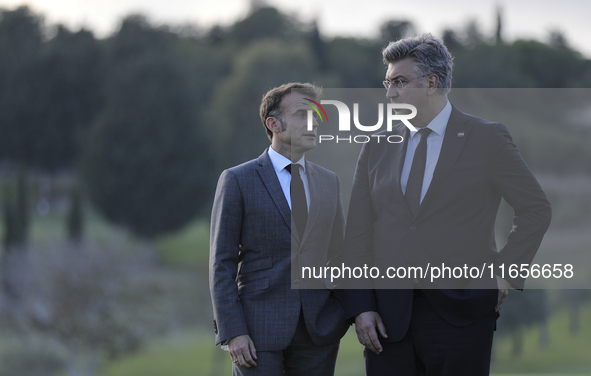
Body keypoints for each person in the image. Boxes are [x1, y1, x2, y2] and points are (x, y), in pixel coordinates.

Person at [343, 34, 552, 376]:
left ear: (431, 83)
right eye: (388, 82)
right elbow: (357, 234)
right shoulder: (376, 146)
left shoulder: (486, 139)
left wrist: (505, 273)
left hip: (463, 315)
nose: (390, 92)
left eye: (399, 81)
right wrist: (361, 308)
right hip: (387, 322)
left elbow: (535, 209)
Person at [209, 82, 348, 375]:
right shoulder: (238, 180)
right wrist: (233, 331)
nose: (313, 122)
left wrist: (340, 314)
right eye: (301, 114)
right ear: (273, 123)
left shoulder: (329, 181)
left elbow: (340, 257)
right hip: (256, 335)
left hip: (319, 333)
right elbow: (221, 263)